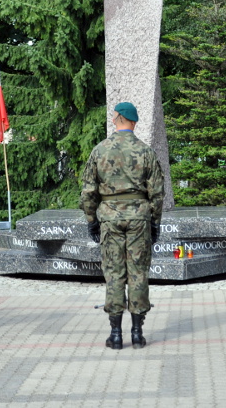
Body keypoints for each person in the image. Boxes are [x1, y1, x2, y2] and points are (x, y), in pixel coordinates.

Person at [80, 102, 164, 350]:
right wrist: (155, 222)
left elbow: (88, 191)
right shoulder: (145, 151)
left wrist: (91, 220)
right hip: (139, 219)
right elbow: (157, 192)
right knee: (138, 273)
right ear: (134, 122)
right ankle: (137, 333)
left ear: (116, 118)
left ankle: (116, 335)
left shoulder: (100, 150)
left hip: (109, 219)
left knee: (114, 273)